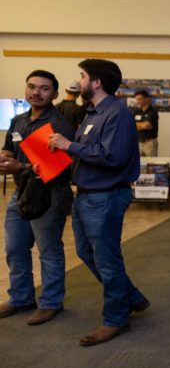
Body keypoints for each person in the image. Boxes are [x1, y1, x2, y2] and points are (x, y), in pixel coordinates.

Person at [48, 58, 150, 347]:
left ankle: (116, 318)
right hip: (87, 196)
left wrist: (70, 146)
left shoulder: (116, 113)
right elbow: (87, 152)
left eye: (82, 76)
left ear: (96, 82)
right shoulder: (93, 113)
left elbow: (112, 157)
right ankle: (132, 297)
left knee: (106, 259)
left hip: (106, 196)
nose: (78, 81)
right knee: (86, 252)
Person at [0, 70, 75, 325]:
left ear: (54, 93)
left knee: (48, 250)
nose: (36, 92)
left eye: (44, 88)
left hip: (50, 193)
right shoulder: (19, 120)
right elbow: (9, 147)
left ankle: (51, 302)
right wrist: (5, 158)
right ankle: (21, 298)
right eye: (31, 86)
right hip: (22, 192)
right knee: (14, 248)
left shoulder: (59, 125)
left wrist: (17, 167)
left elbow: (57, 167)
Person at [132, 90, 159, 157]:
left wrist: (137, 125)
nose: (138, 101)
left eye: (139, 99)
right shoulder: (136, 111)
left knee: (151, 164)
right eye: (137, 100)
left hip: (150, 142)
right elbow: (130, 125)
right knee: (138, 164)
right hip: (138, 142)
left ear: (146, 99)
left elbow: (147, 125)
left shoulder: (153, 112)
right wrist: (141, 125)